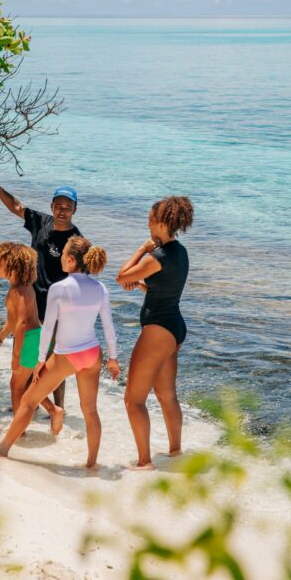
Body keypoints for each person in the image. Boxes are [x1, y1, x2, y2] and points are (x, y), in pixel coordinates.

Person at [0, 236, 120, 468]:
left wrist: (40, 360)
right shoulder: (101, 288)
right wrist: (113, 359)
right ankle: (92, 463)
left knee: (28, 401)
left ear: (71, 260)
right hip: (93, 354)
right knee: (90, 411)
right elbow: (109, 328)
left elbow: (48, 328)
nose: (60, 257)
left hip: (66, 356)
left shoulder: (59, 288)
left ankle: (2, 450)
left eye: (63, 253)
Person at [0, 168, 82, 408]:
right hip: (31, 300)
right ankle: (28, 403)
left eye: (68, 207)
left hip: (58, 308)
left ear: (74, 210)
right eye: (59, 206)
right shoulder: (41, 222)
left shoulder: (77, 240)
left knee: (53, 362)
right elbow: (16, 206)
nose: (62, 211)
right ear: (52, 206)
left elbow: (82, 278)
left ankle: (57, 406)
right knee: (30, 357)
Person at [116, 196, 194, 470]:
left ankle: (144, 462)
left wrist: (142, 249)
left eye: (150, 219)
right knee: (166, 395)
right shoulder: (180, 252)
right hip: (174, 327)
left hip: (158, 330)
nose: (148, 223)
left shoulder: (156, 256)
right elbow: (164, 287)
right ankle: (175, 452)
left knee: (133, 400)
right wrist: (141, 285)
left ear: (161, 222)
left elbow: (120, 276)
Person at [0, 241, 63, 435]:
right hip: (35, 337)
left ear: (13, 266)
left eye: (0, 263)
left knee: (16, 386)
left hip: (27, 340)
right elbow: (13, 321)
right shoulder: (27, 287)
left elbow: (20, 324)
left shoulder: (15, 292)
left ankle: (20, 431)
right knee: (28, 384)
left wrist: (16, 355)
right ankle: (53, 410)